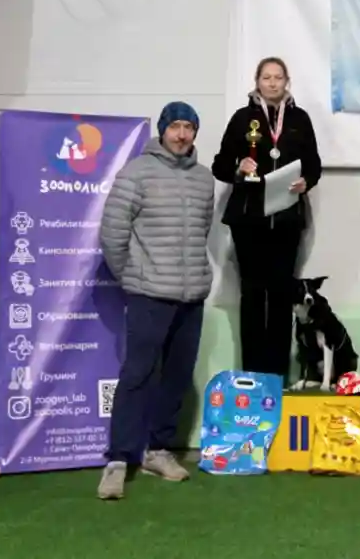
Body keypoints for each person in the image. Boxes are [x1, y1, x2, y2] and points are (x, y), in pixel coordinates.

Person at [97, 101, 215, 500]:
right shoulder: (136, 173)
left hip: (191, 295)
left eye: (189, 127)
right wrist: (132, 276)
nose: (182, 134)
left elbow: (201, 230)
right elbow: (112, 234)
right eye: (175, 126)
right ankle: (118, 459)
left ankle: (158, 451)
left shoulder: (204, 179)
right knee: (137, 375)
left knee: (178, 376)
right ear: (163, 130)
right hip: (148, 294)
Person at [212, 57, 323, 377]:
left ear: (287, 81)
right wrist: (238, 168)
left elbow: (314, 165)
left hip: (287, 220)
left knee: (280, 296)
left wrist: (306, 182)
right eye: (266, 77)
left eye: (278, 77)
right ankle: (252, 373)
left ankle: (277, 374)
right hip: (249, 221)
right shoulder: (242, 118)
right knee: (252, 295)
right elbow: (220, 165)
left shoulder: (300, 119)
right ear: (257, 82)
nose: (273, 83)